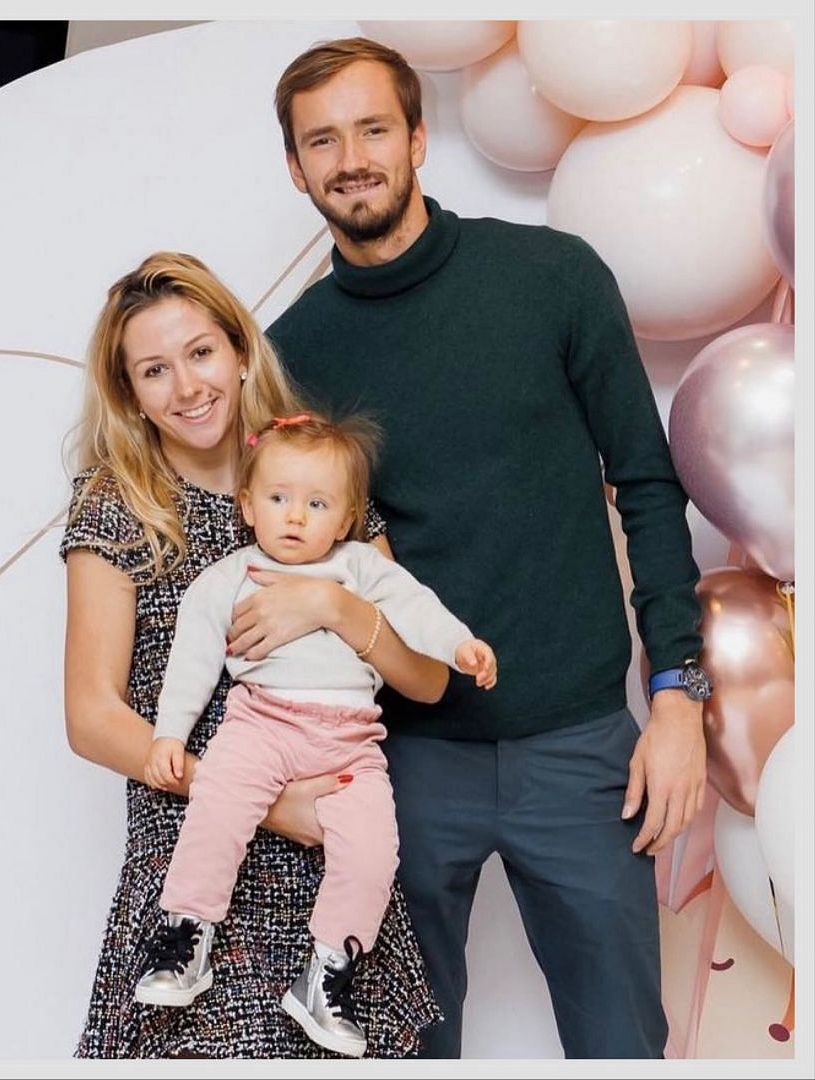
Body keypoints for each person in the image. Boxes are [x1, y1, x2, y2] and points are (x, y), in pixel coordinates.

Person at [265, 38, 708, 1059]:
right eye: (322, 140)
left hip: (583, 749)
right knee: (396, 1050)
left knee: (620, 1048)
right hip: (399, 765)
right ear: (296, 167)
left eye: (373, 128)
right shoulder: (291, 356)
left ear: (419, 138)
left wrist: (678, 696)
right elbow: (291, 560)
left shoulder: (551, 278)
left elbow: (645, 482)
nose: (351, 158)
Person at [63, 252, 444, 1058]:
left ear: (240, 352)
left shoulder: (318, 481)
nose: (188, 386)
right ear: (130, 393)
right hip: (196, 865)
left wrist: (335, 606)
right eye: (154, 370)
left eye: (201, 352)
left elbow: (427, 676)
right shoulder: (118, 503)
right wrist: (268, 802)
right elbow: (92, 717)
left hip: (334, 856)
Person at [135, 412, 497, 1058]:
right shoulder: (229, 577)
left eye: (316, 504)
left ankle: (328, 969)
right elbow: (192, 659)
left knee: (374, 853)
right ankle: (187, 933)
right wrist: (170, 735)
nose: (295, 518)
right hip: (262, 721)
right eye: (278, 499)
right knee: (217, 801)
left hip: (351, 741)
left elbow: (416, 610)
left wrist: (461, 643)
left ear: (347, 515)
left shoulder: (359, 569)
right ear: (247, 505)